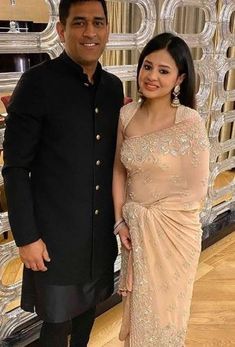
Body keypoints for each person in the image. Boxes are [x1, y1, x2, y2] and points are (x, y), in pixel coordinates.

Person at [2, 0, 123, 346]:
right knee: (55, 328)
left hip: (97, 238)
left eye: (98, 23)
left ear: (107, 30)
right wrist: (26, 237)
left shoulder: (113, 88)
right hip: (53, 240)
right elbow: (15, 167)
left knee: (88, 316)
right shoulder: (36, 83)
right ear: (61, 30)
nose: (90, 32)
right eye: (79, 23)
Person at [113, 32, 210, 346]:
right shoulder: (126, 116)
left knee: (166, 317)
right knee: (140, 312)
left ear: (179, 78)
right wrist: (121, 221)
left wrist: (150, 221)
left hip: (174, 235)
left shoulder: (189, 122)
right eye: (147, 66)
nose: (151, 76)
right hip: (134, 232)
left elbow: (197, 189)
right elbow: (118, 171)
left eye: (163, 71)